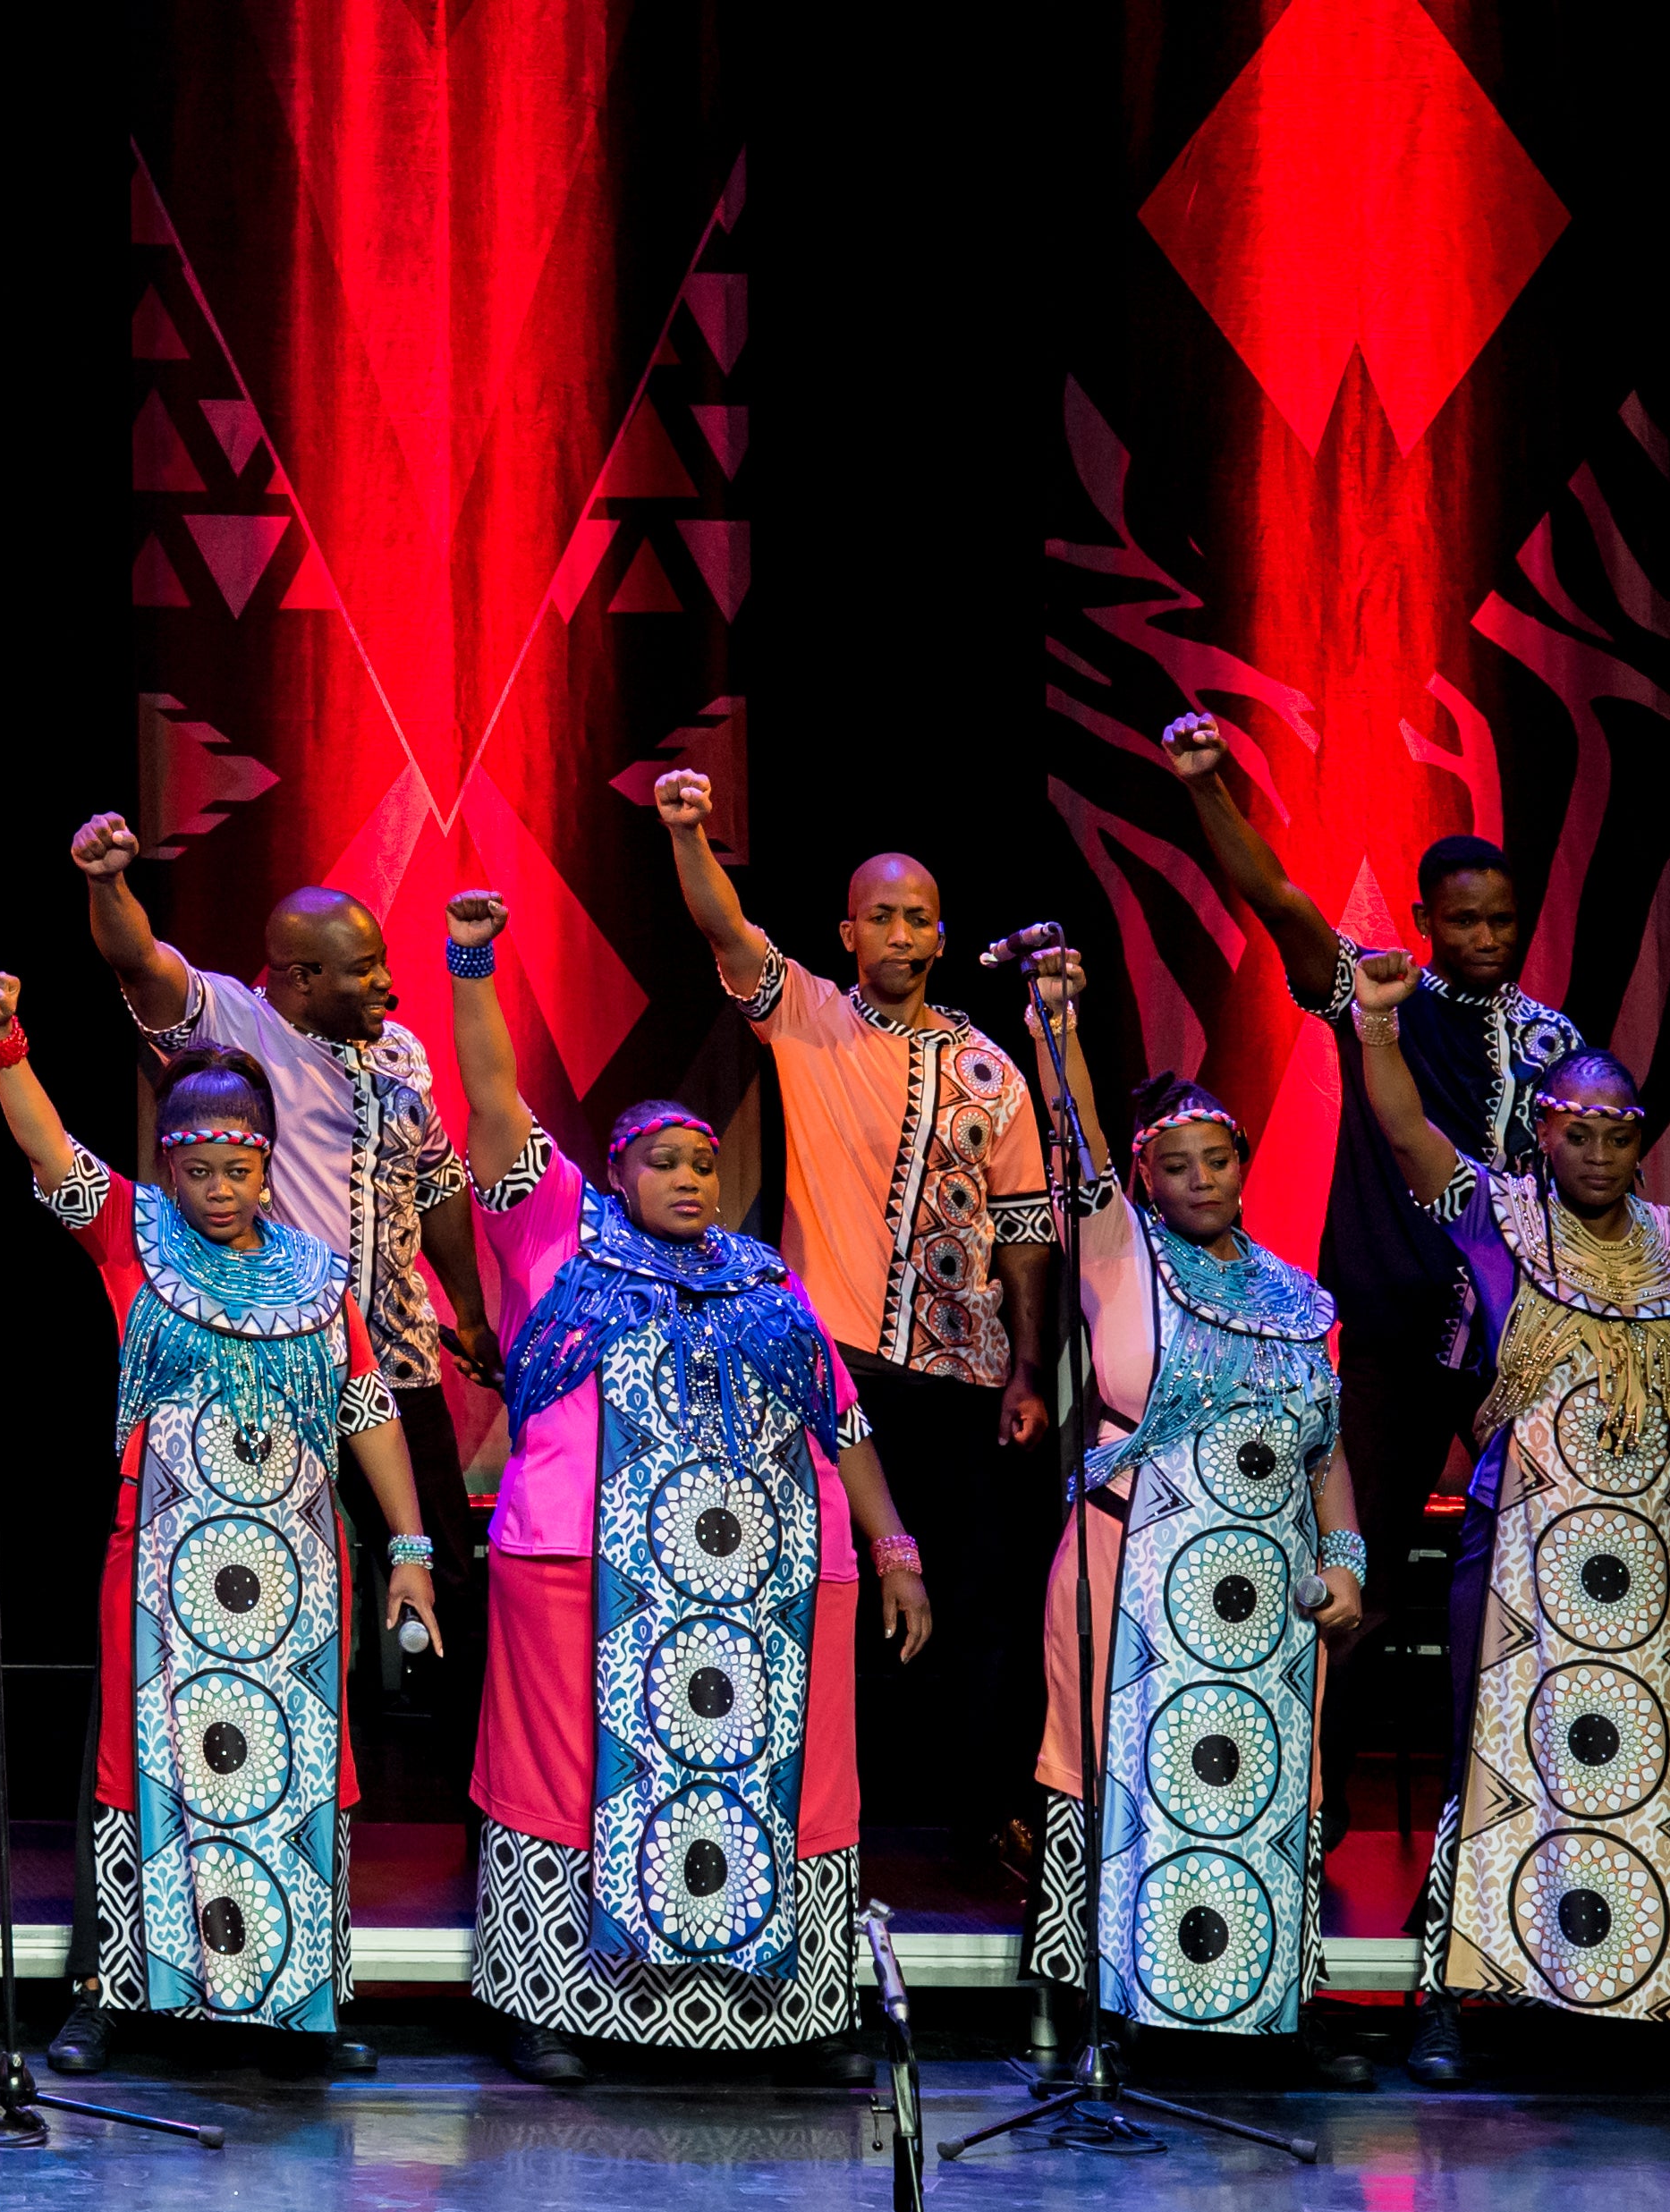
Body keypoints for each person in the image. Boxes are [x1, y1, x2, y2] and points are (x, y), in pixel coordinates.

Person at [439, 891, 932, 2086]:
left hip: (760, 1588)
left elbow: (840, 1415)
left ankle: (792, 2014)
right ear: (610, 1169)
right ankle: (552, 2003)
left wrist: (893, 1544)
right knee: (564, 1779)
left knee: (782, 1779)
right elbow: (496, 1105)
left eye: (704, 1161)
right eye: (661, 1158)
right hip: (579, 1571)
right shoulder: (562, 1235)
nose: (689, 1176)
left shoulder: (765, 1278)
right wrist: (468, 963)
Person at [1346, 952, 1670, 2095]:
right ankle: (1452, 1997)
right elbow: (1408, 1130)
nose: (1601, 1150)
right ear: (1547, 1133)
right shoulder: (1499, 1219)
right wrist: (1376, 1032)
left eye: (1620, 1131)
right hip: (1520, 1551)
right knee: (1498, 1760)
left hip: (1669, 1557)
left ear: (1638, 1139)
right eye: (1580, 1130)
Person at [0, 977, 437, 2079]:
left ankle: (300, 2004)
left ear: (269, 1162)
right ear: (168, 1161)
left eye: (239, 1169)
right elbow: (47, 1149)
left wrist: (410, 1548)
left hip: (299, 1576)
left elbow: (365, 1413)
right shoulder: (135, 1238)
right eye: (196, 1170)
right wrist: (3, 1046)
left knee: (296, 1768)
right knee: (141, 1771)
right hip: (163, 1570)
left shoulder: (322, 1278)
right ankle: (105, 1994)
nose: (218, 1190)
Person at [1154, 716, 1588, 1802]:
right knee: (1356, 1577)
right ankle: (1308, 1794)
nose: (1488, 937)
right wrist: (1211, 791)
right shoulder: (1385, 999)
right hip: (1395, 1334)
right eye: (1466, 920)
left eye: (1503, 920)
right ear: (1428, 919)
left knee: (1535, 1574)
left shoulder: (1554, 1039)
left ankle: (1518, 1806)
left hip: (1514, 1344)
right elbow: (1286, 905)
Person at [652, 766, 1049, 1867]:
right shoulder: (812, 1018)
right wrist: (691, 834)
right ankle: (820, 1820)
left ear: (940, 934)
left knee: (975, 1600)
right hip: (835, 1374)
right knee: (835, 1593)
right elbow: (727, 932)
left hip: (962, 1377)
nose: (902, 930)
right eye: (882, 914)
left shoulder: (992, 1069)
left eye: (919, 915)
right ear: (849, 930)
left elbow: (1022, 1227)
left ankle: (982, 1812)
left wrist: (1026, 1368)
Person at [1011, 947, 1371, 2087]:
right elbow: (1069, 1133)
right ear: (1146, 1175)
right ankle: (1098, 2011)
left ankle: (1264, 2010)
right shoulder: (1120, 1253)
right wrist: (1056, 1023)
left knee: (1255, 1780)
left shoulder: (1293, 1292)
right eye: (1179, 1162)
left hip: (1263, 1593)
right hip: (1130, 1560)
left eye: (1220, 1158)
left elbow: (1328, 1448)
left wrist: (1349, 1558)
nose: (1203, 1176)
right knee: (1114, 1773)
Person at [68, 815, 496, 1718]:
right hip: (280, 1362)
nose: (386, 980)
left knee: (448, 1582)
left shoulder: (399, 1053)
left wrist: (469, 1307)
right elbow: (139, 961)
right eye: (365, 966)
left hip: (399, 1361)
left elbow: (439, 1178)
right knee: (287, 1580)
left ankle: (483, 1821)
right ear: (301, 976)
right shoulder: (233, 1016)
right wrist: (110, 884)